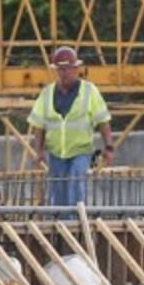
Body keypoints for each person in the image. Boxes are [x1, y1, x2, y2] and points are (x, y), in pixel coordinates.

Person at [28, 46, 114, 207]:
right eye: (60, 69)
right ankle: (62, 226)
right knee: (58, 194)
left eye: (67, 69)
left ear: (76, 69)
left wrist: (109, 147)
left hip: (81, 151)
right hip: (56, 153)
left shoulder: (89, 91)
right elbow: (38, 126)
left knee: (75, 183)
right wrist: (38, 151)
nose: (64, 73)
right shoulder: (47, 93)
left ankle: (75, 226)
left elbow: (103, 121)